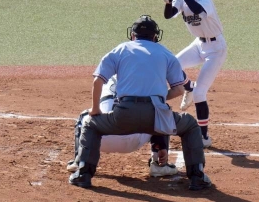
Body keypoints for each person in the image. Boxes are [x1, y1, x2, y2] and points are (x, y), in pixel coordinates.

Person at [69, 15, 212, 191]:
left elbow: (98, 81)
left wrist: (96, 109)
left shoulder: (120, 50)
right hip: (155, 118)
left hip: (123, 115)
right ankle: (197, 177)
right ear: (155, 36)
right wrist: (157, 98)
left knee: (90, 124)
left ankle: (83, 174)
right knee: (188, 124)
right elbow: (179, 90)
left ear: (133, 35)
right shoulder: (166, 54)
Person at [164, 0, 227, 148]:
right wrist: (168, 0)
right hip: (199, 44)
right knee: (172, 65)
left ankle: (204, 137)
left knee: (201, 93)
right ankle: (188, 87)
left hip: (216, 48)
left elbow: (198, 10)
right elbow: (168, 15)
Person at [67, 75, 179, 177]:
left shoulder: (106, 78)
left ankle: (79, 161)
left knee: (84, 116)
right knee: (159, 113)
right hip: (135, 139)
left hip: (101, 139)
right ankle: (158, 164)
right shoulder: (144, 80)